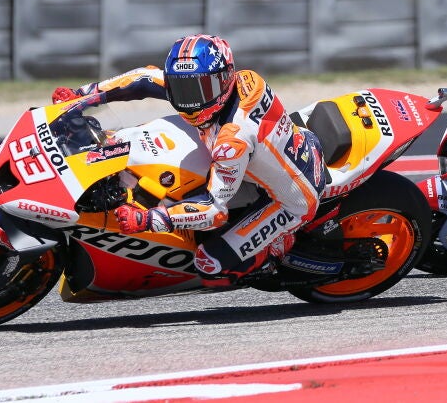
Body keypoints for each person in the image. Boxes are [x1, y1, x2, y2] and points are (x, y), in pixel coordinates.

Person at [51, 34, 328, 286]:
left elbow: (214, 211)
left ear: (225, 78)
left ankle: (276, 247)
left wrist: (149, 218)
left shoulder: (231, 141)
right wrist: (82, 94)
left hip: (292, 198)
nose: (190, 100)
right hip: (279, 151)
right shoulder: (234, 81)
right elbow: (143, 78)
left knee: (210, 263)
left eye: (200, 89)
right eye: (181, 88)